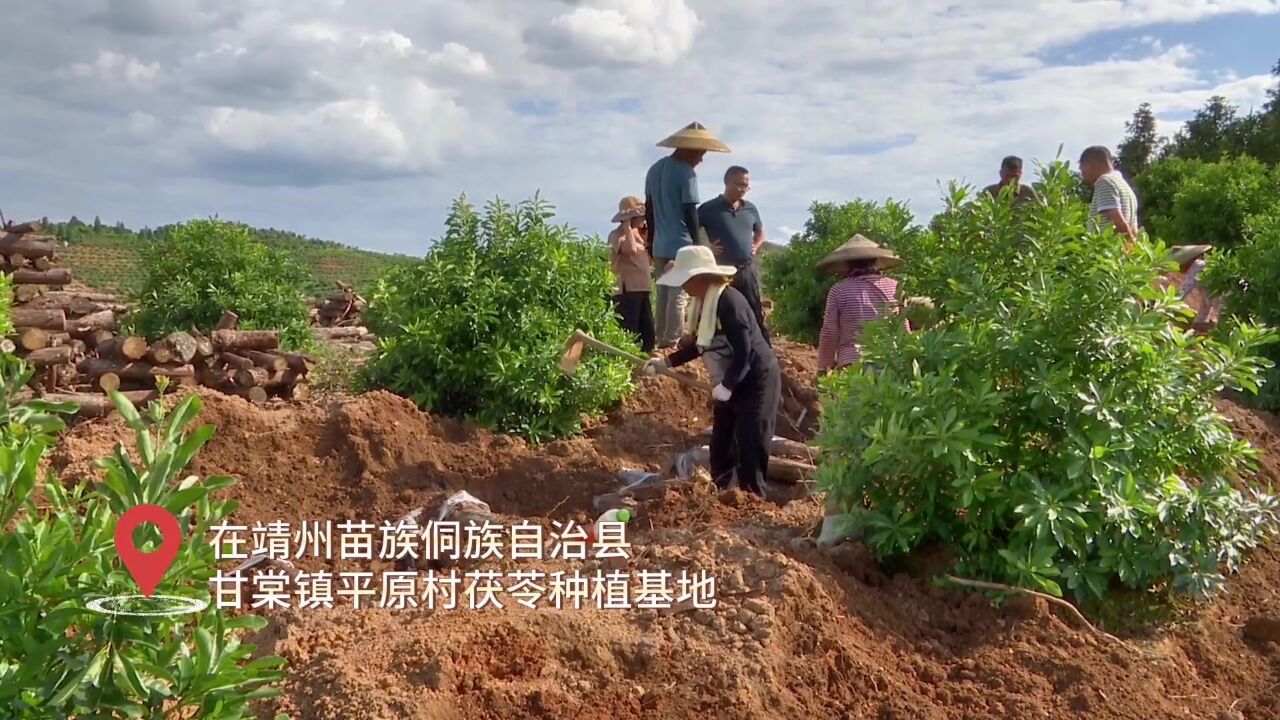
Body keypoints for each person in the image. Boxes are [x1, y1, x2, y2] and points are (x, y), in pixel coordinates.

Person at [643, 245, 779, 497]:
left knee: (750, 445)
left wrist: (727, 386)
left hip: (755, 379)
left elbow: (745, 351)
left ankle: (753, 501)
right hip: (730, 379)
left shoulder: (729, 301)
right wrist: (666, 363)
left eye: (685, 279)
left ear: (698, 278)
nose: (682, 286)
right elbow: (699, 345)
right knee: (721, 447)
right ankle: (722, 497)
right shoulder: (703, 305)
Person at [645, 121, 731, 348]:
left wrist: (650, 242)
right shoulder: (686, 173)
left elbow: (649, 209)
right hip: (680, 242)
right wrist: (698, 245)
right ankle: (672, 340)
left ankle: (661, 337)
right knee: (677, 294)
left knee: (663, 292)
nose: (701, 159)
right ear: (689, 150)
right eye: (700, 154)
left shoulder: (654, 170)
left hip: (659, 243)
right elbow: (690, 212)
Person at [698, 165, 770, 344]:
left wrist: (756, 244)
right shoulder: (708, 208)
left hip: (746, 269)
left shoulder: (750, 209)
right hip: (721, 271)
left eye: (746, 185)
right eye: (738, 184)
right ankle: (724, 348)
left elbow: (760, 232)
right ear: (726, 182)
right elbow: (689, 232)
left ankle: (763, 347)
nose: (742, 189)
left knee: (753, 310)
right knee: (723, 312)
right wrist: (706, 248)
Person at [815, 234, 904, 376]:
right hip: (891, 362)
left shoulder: (839, 290)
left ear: (847, 264)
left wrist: (822, 368)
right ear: (875, 261)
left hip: (854, 365)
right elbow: (903, 327)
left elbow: (829, 332)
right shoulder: (894, 287)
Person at [608, 196, 655, 353]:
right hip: (627, 290)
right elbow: (630, 250)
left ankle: (646, 361)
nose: (642, 219)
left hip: (643, 288)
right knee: (630, 329)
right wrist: (627, 227)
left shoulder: (641, 235)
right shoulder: (617, 235)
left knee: (647, 330)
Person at [1079, 146, 1139, 246]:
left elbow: (1118, 222)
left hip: (1106, 254)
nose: (1082, 174)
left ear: (1090, 164)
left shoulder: (1105, 182)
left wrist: (1131, 246)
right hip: (1120, 256)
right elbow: (1133, 229)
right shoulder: (1125, 187)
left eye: (1081, 168)